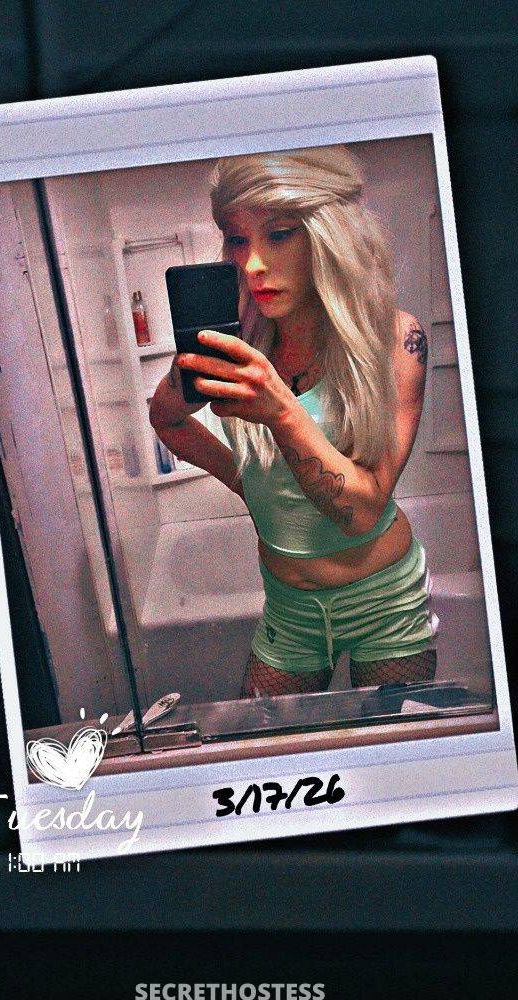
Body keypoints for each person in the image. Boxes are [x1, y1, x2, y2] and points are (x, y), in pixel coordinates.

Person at [150, 145, 438, 699]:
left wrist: (280, 409)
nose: (252, 264)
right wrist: (253, 483)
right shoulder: (240, 343)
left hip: (385, 599)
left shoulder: (394, 340)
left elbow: (363, 510)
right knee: (263, 743)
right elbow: (167, 421)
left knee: (390, 742)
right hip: (289, 610)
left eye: (279, 234)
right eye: (237, 240)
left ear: (330, 235)